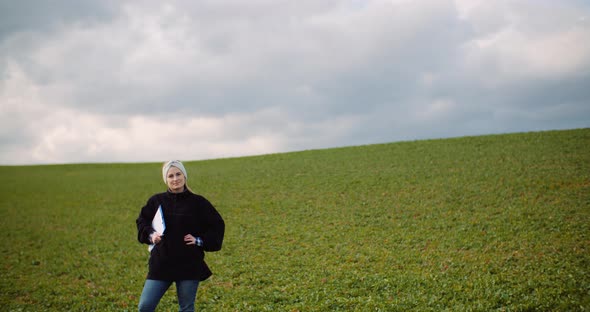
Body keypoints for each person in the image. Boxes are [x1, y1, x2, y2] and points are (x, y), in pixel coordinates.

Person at [136, 160, 225, 312]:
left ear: (184, 176)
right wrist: (151, 235)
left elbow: (217, 225)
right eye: (170, 176)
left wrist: (199, 240)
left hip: (189, 264)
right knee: (145, 306)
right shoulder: (156, 201)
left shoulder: (198, 202)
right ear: (166, 179)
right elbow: (142, 222)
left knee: (186, 308)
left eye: (178, 174)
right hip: (161, 263)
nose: (175, 179)